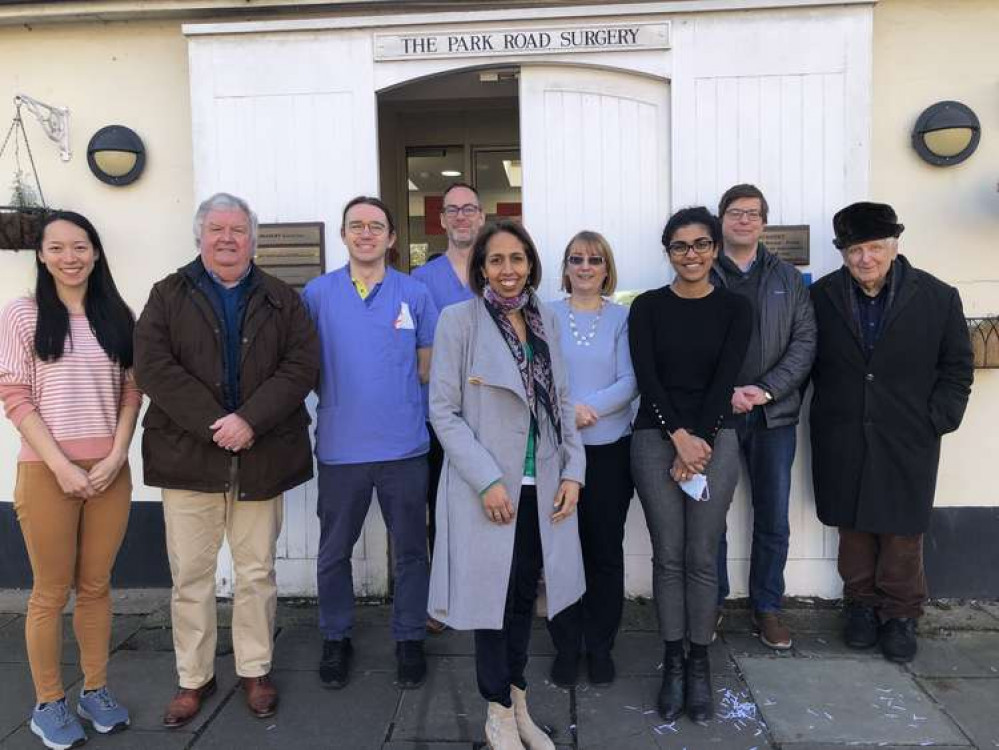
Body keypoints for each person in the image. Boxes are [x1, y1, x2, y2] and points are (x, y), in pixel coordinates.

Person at [134, 192, 319, 727]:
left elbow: (300, 366)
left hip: (262, 457)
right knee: (190, 575)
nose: (227, 239)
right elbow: (152, 366)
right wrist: (217, 424)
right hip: (188, 457)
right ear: (200, 236)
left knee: (256, 571)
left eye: (238, 230)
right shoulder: (167, 294)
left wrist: (249, 422)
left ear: (252, 239)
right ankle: (193, 678)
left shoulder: (284, 298)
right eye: (216, 229)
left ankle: (255, 668)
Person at [428, 221, 585, 750]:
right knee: (490, 605)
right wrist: (487, 479)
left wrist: (573, 471)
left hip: (542, 486)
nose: (508, 271)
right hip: (490, 491)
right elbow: (443, 413)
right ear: (481, 268)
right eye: (496, 260)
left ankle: (517, 700)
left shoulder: (545, 320)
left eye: (517, 259)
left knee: (522, 599)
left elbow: (562, 402)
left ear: (531, 264)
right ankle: (495, 711)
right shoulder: (459, 321)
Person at [810, 201, 973, 663]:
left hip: (909, 434)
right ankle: (860, 606)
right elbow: (805, 358)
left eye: (874, 247)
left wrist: (937, 419)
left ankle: (900, 614)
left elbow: (957, 367)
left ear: (895, 245)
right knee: (854, 525)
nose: (865, 258)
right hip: (842, 431)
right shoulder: (822, 296)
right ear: (843, 253)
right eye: (855, 249)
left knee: (902, 530)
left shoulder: (938, 297)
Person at [0, 211, 139, 750]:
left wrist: (116, 455)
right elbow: (15, 397)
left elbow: (132, 392)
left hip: (110, 472)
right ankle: (49, 702)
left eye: (79, 247)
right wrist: (60, 465)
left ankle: (95, 690)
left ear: (96, 252)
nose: (69, 257)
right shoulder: (22, 315)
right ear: (41, 256)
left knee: (97, 587)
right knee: (49, 592)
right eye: (56, 248)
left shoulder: (117, 315)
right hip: (46, 472)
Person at [303, 196, 438, 691]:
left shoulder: (414, 293)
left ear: (392, 237)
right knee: (334, 551)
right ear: (343, 235)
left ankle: (408, 638)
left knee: (410, 551)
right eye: (356, 226)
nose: (366, 234)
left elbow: (426, 364)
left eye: (376, 226)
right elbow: (307, 365)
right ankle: (336, 636)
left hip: (404, 446)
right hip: (342, 448)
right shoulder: (317, 294)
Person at [629, 207, 751, 723]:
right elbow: (647, 377)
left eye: (701, 244)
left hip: (715, 438)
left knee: (702, 554)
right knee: (668, 556)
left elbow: (726, 378)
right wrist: (678, 438)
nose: (692, 254)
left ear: (716, 248)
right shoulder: (648, 307)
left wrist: (698, 441)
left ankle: (700, 662)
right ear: (668, 253)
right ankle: (672, 660)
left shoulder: (735, 308)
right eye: (680, 246)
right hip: (656, 437)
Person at [711, 184, 816, 649]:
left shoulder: (788, 279)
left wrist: (766, 390)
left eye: (753, 214)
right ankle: (709, 602)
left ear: (764, 222)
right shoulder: (702, 271)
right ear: (722, 220)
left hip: (774, 417)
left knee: (772, 515)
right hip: (716, 417)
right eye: (736, 213)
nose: (744, 221)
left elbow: (805, 342)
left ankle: (768, 606)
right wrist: (722, 394)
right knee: (709, 515)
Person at [546, 231, 636, 688]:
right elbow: (537, 375)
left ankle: (599, 645)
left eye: (594, 260)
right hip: (557, 452)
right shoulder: (545, 314)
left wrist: (586, 409)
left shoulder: (622, 318)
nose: (585, 267)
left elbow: (629, 380)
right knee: (562, 552)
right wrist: (567, 413)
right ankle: (565, 644)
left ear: (606, 268)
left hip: (607, 450)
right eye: (576, 259)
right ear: (565, 267)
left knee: (603, 552)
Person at [412, 182, 482, 634]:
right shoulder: (420, 280)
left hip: (490, 412)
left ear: (481, 217)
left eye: (468, 209)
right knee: (439, 505)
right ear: (441, 220)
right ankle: (441, 599)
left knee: (486, 502)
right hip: (439, 413)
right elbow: (417, 354)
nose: (460, 217)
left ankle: (484, 591)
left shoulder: (498, 269)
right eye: (451, 210)